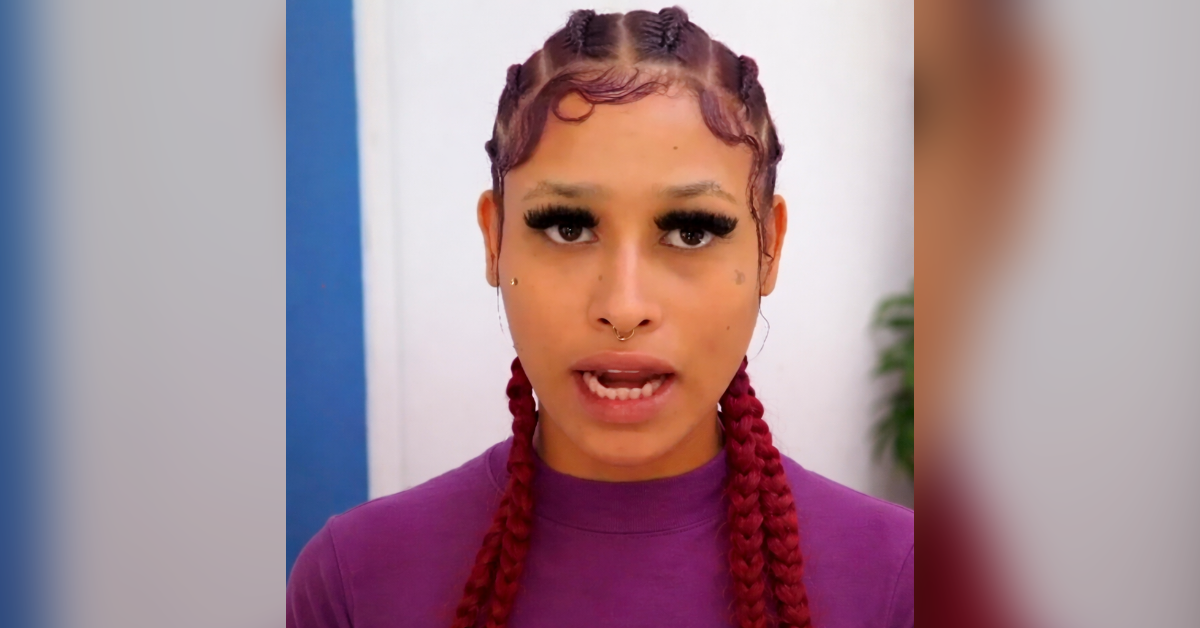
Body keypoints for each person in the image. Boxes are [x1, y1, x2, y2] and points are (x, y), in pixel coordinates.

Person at [286, 8, 913, 628]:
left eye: (691, 232)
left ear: (768, 248)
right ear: (494, 241)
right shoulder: (353, 581)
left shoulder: (902, 579)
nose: (623, 307)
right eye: (567, 227)